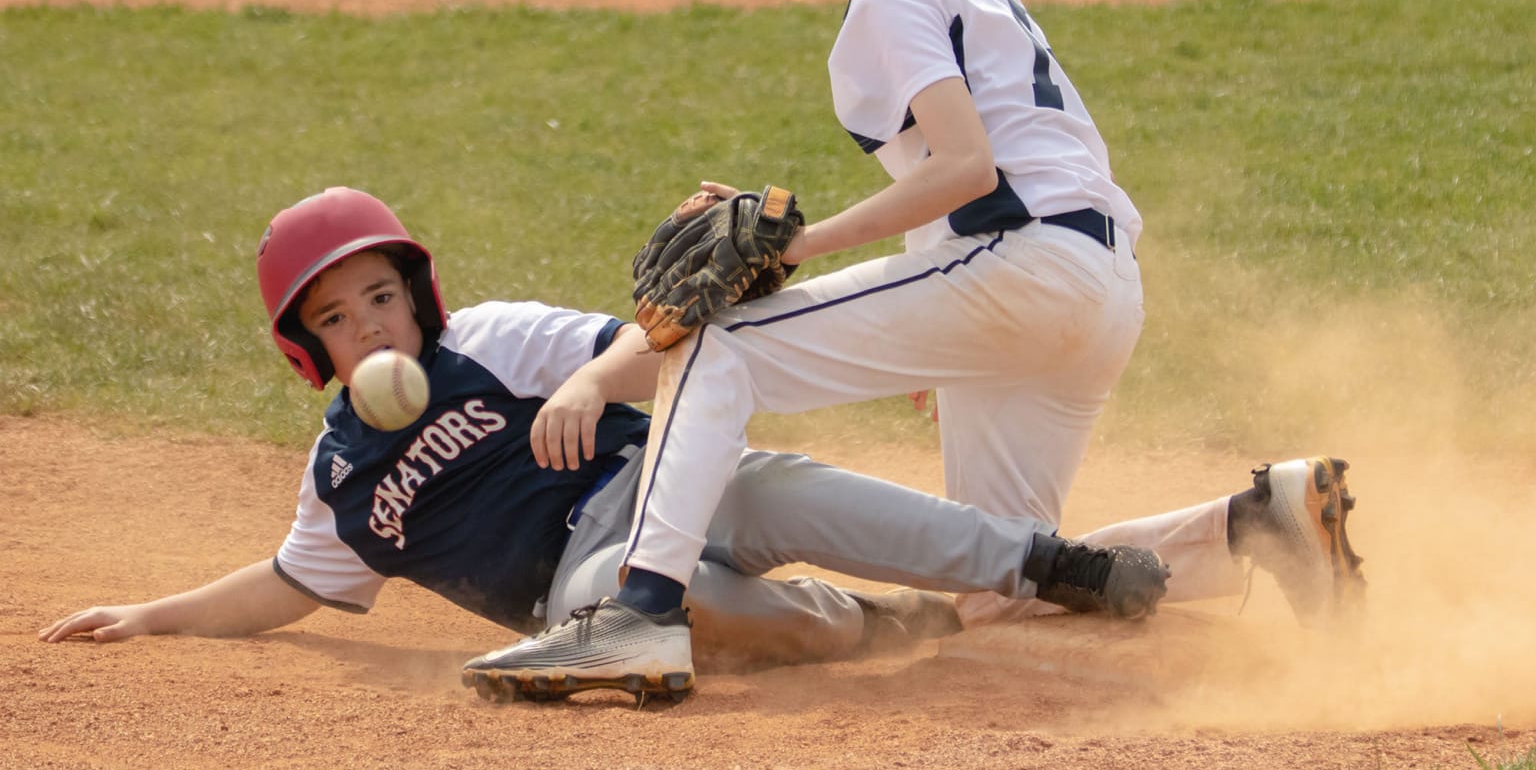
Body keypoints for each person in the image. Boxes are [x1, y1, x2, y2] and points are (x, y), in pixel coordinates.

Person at [469, 0, 1366, 692]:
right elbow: (985, 161)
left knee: (715, 347)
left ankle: (641, 612)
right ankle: (1256, 525)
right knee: (999, 581)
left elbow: (967, 165)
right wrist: (937, 321)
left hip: (1024, 269)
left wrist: (799, 245)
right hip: (1090, 284)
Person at [37, 186, 1183, 706]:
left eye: (379, 296)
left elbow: (658, 348)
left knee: (784, 490)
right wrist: (154, 613)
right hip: (584, 585)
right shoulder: (344, 479)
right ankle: (891, 620)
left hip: (661, 482)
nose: (369, 326)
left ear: (415, 293)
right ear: (309, 349)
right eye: (337, 317)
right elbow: (289, 582)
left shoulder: (490, 340)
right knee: (708, 614)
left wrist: (589, 381)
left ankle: (1053, 564)